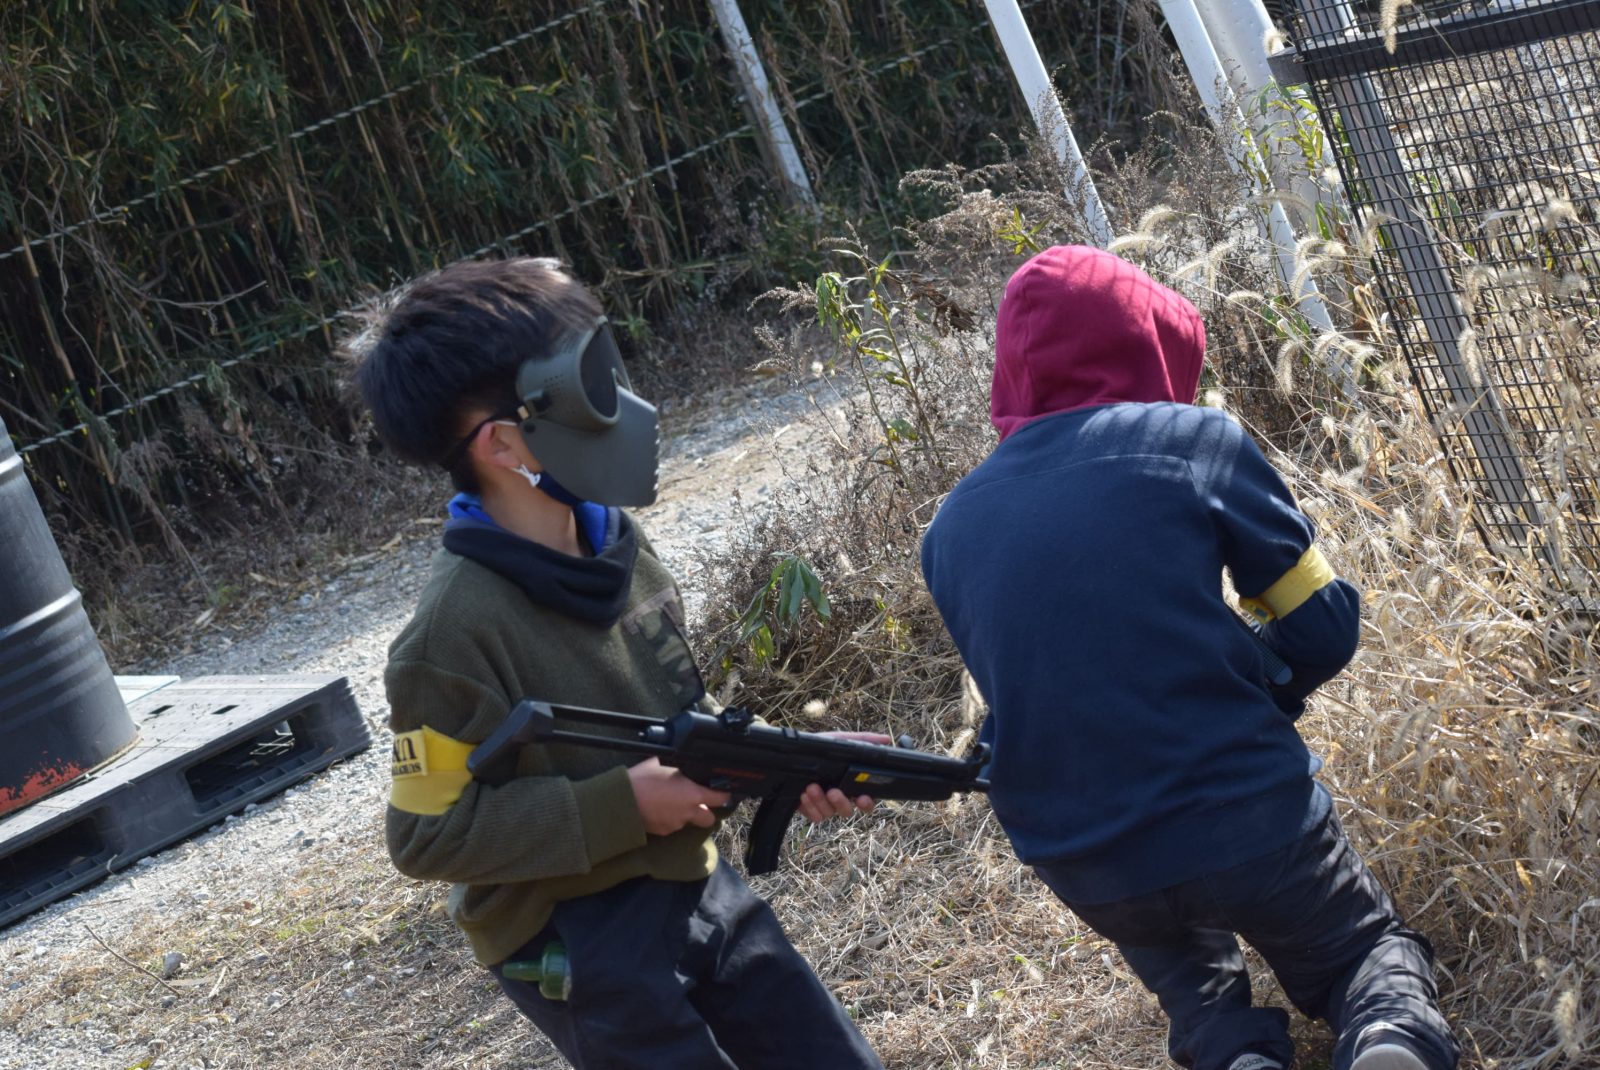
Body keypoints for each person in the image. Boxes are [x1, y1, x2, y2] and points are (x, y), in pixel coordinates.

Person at [919, 245, 1458, 1070]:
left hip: (1087, 857)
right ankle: (1388, 1036)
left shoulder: (949, 529)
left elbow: (1043, 689)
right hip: (1242, 813)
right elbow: (1322, 626)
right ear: (1149, 342)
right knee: (1361, 955)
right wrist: (1263, 680)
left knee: (1203, 1005)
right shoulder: (1193, 441)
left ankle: (1233, 1053)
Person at [350, 256, 884, 1069]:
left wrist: (787, 763)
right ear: (503, 443)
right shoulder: (449, 638)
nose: (623, 407)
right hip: (574, 938)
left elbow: (678, 723)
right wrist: (622, 806)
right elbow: (425, 835)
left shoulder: (614, 545)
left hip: (693, 879)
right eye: (588, 388)